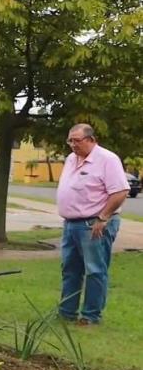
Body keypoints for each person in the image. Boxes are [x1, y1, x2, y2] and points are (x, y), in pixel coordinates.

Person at [56, 123, 129, 325]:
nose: (72, 145)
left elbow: (121, 191)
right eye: (70, 140)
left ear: (91, 140)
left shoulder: (107, 159)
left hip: (94, 224)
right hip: (71, 223)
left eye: (77, 140)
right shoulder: (71, 159)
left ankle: (90, 317)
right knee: (70, 269)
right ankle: (66, 312)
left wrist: (103, 217)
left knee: (95, 270)